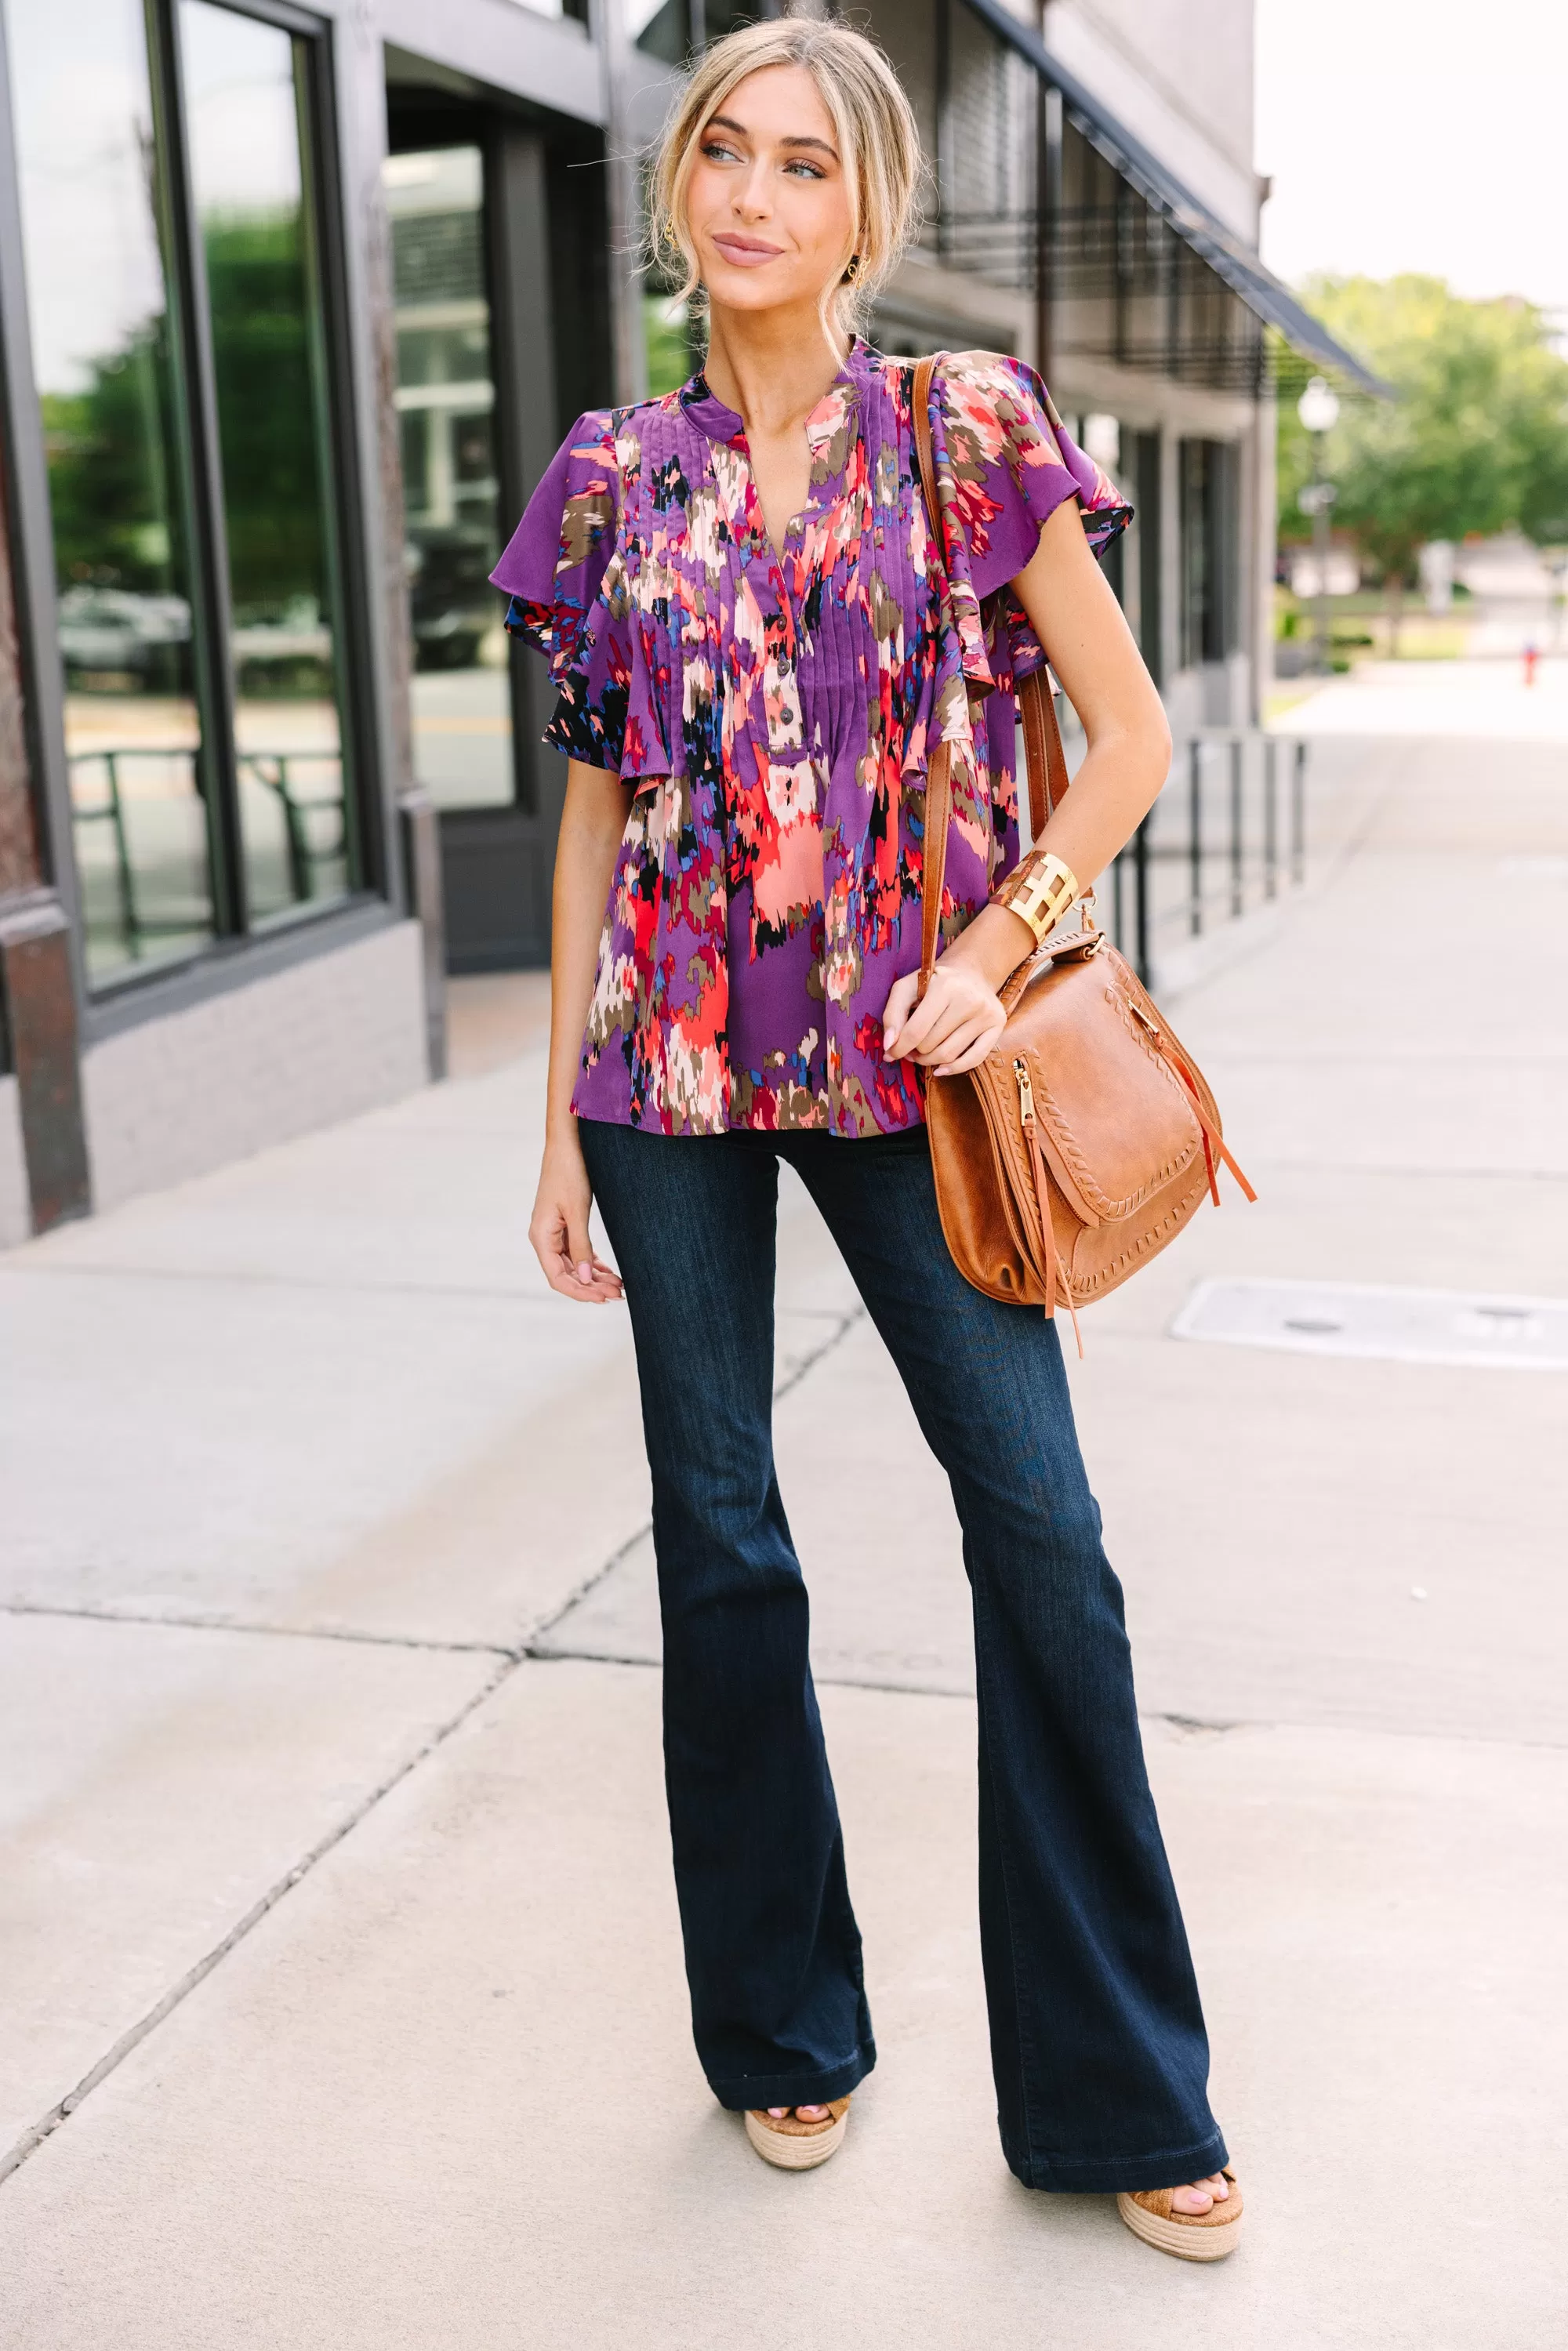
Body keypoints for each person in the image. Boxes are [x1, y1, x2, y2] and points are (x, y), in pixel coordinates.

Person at [492, 15, 1242, 2265]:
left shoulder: (962, 430)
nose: (750, 195)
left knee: (1045, 1537)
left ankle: (1119, 2089)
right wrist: (557, 1118)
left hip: (923, 1069)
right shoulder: (613, 473)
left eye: (802, 165)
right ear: (679, 187)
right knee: (722, 1542)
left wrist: (1003, 947)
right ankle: (784, 2031)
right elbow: (598, 814)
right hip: (673, 1085)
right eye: (723, 150)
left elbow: (1124, 740)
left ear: (870, 213)